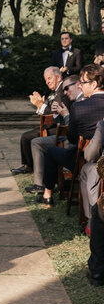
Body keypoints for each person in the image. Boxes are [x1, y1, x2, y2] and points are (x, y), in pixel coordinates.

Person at [37, 64, 104, 207]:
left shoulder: (79, 107)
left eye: (83, 83)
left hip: (85, 161)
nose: (81, 87)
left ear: (94, 84)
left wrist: (67, 116)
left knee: (51, 151)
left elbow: (72, 138)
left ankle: (47, 194)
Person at [25, 75, 83, 194]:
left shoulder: (77, 101)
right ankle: (40, 183)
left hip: (72, 141)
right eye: (45, 79)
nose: (65, 92)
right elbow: (55, 116)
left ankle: (45, 190)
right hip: (65, 131)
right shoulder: (61, 94)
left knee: (37, 142)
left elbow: (72, 131)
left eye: (49, 78)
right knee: (31, 138)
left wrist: (43, 106)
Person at [11, 66, 70, 175]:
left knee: (27, 137)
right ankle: (28, 165)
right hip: (53, 124)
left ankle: (29, 166)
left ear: (58, 77)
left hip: (60, 127)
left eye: (49, 78)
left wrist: (41, 105)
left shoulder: (63, 90)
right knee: (25, 136)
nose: (47, 82)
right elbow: (50, 110)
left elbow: (54, 113)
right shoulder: (54, 91)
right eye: (46, 80)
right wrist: (40, 105)